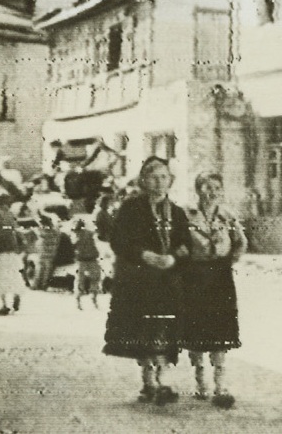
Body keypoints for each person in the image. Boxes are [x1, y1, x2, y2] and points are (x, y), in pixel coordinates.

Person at [103, 157, 190, 405]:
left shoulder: (177, 212)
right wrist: (144, 255)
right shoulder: (131, 208)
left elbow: (186, 244)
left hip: (168, 281)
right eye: (154, 177)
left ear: (170, 180)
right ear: (143, 180)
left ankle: (161, 380)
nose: (159, 182)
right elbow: (118, 240)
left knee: (165, 330)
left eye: (164, 177)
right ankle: (148, 381)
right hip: (139, 281)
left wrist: (173, 258)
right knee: (145, 331)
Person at [179, 173, 245, 409]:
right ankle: (200, 383)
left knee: (220, 331)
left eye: (217, 187)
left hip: (220, 278)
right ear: (198, 189)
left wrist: (229, 261)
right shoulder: (186, 213)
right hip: (194, 277)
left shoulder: (227, 215)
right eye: (208, 188)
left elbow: (240, 241)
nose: (212, 192)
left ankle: (220, 385)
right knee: (196, 330)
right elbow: (178, 243)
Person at [70, 215, 103, 310]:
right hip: (90, 259)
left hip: (83, 260)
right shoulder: (89, 233)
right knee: (94, 279)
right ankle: (92, 300)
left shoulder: (76, 235)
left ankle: (79, 302)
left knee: (80, 281)